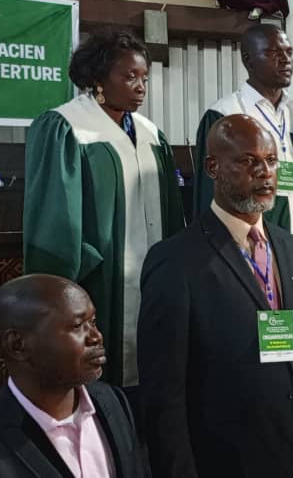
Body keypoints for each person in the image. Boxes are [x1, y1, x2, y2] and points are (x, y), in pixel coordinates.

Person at [138, 115, 293, 477]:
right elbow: (164, 394)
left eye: (271, 161)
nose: (265, 173)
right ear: (213, 167)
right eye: (248, 161)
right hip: (228, 461)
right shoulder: (176, 261)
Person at [23, 30, 185, 388]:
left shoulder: (151, 134)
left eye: (144, 78)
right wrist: (65, 287)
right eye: (130, 77)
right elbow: (55, 222)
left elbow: (172, 214)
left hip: (153, 279)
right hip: (100, 281)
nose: (141, 87)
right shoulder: (67, 127)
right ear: (98, 79)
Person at [0, 274, 148, 477]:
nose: (96, 336)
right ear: (17, 345)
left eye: (92, 322)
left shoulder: (114, 403)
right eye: (77, 326)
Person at [192, 24, 293, 257]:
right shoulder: (226, 114)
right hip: (248, 235)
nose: (285, 60)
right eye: (273, 53)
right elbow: (209, 193)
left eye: (288, 52)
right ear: (248, 61)